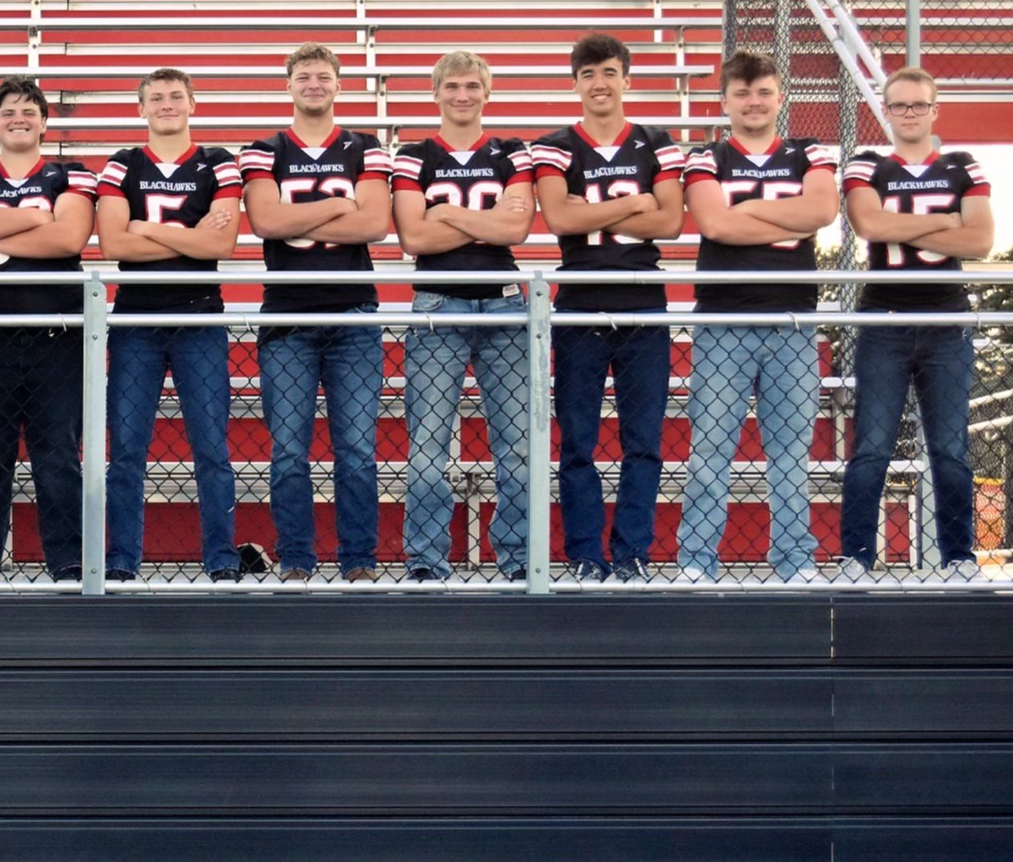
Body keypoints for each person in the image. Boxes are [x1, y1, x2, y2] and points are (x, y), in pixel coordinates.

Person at [675, 51, 837, 583]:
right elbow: (713, 225)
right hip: (723, 322)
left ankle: (794, 559)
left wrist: (742, 211)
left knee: (790, 453)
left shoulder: (808, 153)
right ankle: (697, 559)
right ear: (724, 101)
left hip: (793, 321)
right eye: (742, 93)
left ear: (779, 96)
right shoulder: (706, 156)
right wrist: (774, 219)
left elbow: (820, 212)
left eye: (763, 91)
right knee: (711, 449)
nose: (753, 102)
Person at [532, 33, 686, 581]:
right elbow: (559, 221)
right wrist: (636, 202)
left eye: (609, 72)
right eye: (588, 74)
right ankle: (584, 555)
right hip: (580, 304)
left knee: (642, 442)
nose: (599, 83)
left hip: (643, 302)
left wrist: (592, 209)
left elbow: (669, 222)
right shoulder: (554, 145)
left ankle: (631, 553)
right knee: (578, 443)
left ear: (627, 79)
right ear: (575, 83)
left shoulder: (656, 141)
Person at [239, 43, 390, 582]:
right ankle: (297, 560)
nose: (313, 84)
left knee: (355, 450)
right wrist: (336, 206)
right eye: (304, 76)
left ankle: (359, 562)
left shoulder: (365, 146)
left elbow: (374, 225)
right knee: (288, 453)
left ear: (338, 84)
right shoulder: (264, 148)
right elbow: (263, 222)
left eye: (323, 76)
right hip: (289, 318)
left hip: (353, 316)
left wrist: (294, 217)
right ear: (289, 84)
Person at [838, 67, 993, 580]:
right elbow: (870, 224)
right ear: (886, 111)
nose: (909, 114)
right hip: (884, 316)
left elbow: (980, 241)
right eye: (899, 105)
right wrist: (947, 221)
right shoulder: (867, 163)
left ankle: (959, 557)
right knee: (871, 447)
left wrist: (923, 229)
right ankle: (857, 556)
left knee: (950, 449)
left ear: (934, 109)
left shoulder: (962, 164)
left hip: (946, 319)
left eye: (918, 105)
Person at [0, 76, 96, 580]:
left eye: (30, 110)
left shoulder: (70, 174)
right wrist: (37, 220)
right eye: (8, 110)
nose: (19, 118)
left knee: (57, 455)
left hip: (56, 337)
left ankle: (68, 561)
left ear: (45, 122)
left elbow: (70, 236)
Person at [393, 50, 535, 583]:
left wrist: (446, 212)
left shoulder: (511, 152)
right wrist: (487, 220)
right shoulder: (414, 154)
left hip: (503, 301)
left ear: (487, 92)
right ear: (435, 93)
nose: (462, 95)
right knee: (428, 441)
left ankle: (519, 557)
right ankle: (428, 559)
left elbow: (515, 232)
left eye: (472, 85)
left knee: (516, 443)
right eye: (451, 86)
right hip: (438, 301)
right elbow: (414, 238)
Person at [97, 67, 243, 581]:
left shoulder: (219, 163)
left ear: (192, 103)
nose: (166, 104)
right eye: (155, 97)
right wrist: (188, 234)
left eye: (175, 96)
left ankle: (221, 560)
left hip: (200, 315)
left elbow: (219, 247)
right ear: (141, 108)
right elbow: (114, 246)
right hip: (137, 317)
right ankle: (121, 561)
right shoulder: (121, 164)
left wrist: (145, 228)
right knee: (127, 449)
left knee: (211, 447)